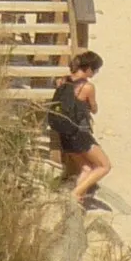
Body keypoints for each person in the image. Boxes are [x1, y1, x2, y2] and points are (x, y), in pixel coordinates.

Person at [48, 49, 110, 208]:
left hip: (64, 133)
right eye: (95, 69)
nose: (95, 72)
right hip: (79, 133)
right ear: (88, 68)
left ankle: (77, 198)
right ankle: (75, 193)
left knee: (86, 167)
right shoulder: (87, 87)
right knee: (104, 166)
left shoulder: (62, 81)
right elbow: (94, 108)